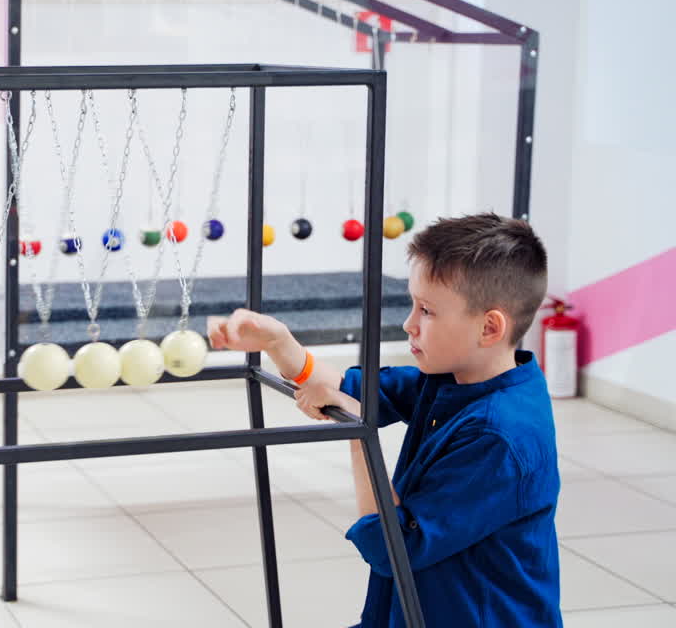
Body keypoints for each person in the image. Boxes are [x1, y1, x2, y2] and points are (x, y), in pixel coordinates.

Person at [208, 213, 560, 627]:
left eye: (426, 311)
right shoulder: (455, 379)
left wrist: (360, 435)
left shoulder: (499, 436)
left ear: (489, 327)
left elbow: (395, 547)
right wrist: (279, 343)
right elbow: (349, 388)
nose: (409, 323)